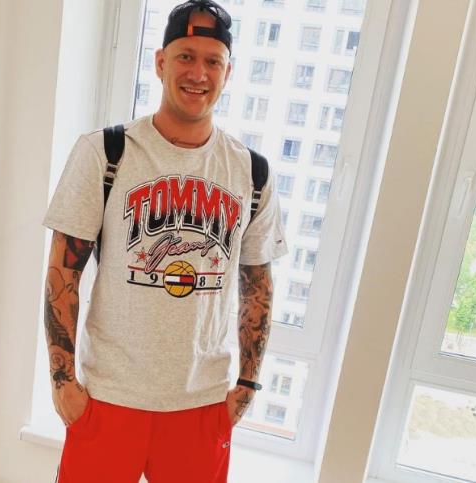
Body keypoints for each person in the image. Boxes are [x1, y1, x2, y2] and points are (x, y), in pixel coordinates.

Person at [42, 1, 288, 481]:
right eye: (185, 56)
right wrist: (62, 380)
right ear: (160, 63)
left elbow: (257, 283)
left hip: (201, 403)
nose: (198, 73)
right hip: (109, 396)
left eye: (213, 61)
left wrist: (248, 382)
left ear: (228, 72)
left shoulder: (251, 171)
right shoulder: (106, 153)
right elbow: (62, 271)